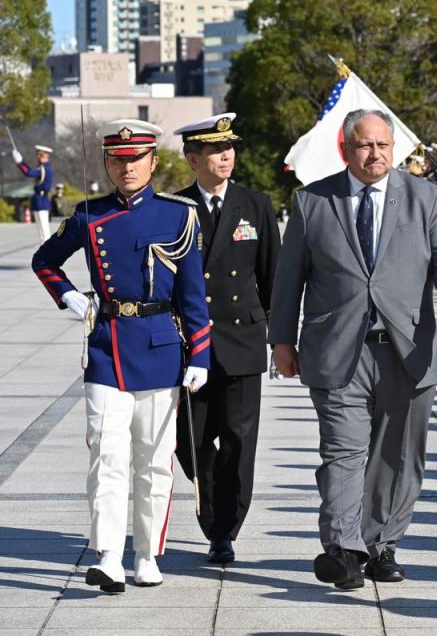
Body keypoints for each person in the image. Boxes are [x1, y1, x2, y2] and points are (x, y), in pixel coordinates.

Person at [268, 109, 437, 590]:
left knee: (398, 455)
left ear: (393, 149)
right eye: (364, 145)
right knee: (343, 452)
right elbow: (289, 278)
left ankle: (381, 545)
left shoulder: (426, 198)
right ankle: (342, 548)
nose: (374, 154)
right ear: (345, 149)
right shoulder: (313, 202)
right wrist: (281, 340)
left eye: (382, 145)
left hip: (408, 348)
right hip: (338, 350)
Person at [31, 119, 210, 592]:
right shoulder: (89, 216)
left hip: (160, 347)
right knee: (106, 457)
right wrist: (69, 296)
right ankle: (109, 555)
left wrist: (201, 355)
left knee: (154, 462)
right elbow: (44, 260)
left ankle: (147, 553)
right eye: (117, 159)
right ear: (108, 163)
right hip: (107, 346)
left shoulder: (179, 215)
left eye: (135, 159)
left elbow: (192, 295)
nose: (126, 167)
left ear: (153, 161)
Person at [172, 113, 281, 564]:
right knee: (189, 441)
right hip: (191, 344)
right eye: (216, 150)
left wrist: (282, 338)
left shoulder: (256, 204)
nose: (227, 155)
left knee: (239, 440)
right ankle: (214, 510)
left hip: (242, 338)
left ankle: (224, 528)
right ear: (193, 159)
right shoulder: (175, 208)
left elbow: (273, 276)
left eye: (230, 147)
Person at [13, 144, 54, 242]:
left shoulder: (45, 168)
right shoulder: (43, 167)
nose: (38, 157)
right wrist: (21, 162)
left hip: (42, 201)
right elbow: (31, 171)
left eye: (39, 155)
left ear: (44, 156)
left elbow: (29, 173)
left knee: (44, 229)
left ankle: (48, 249)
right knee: (40, 229)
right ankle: (44, 249)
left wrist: (20, 162)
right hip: (39, 200)